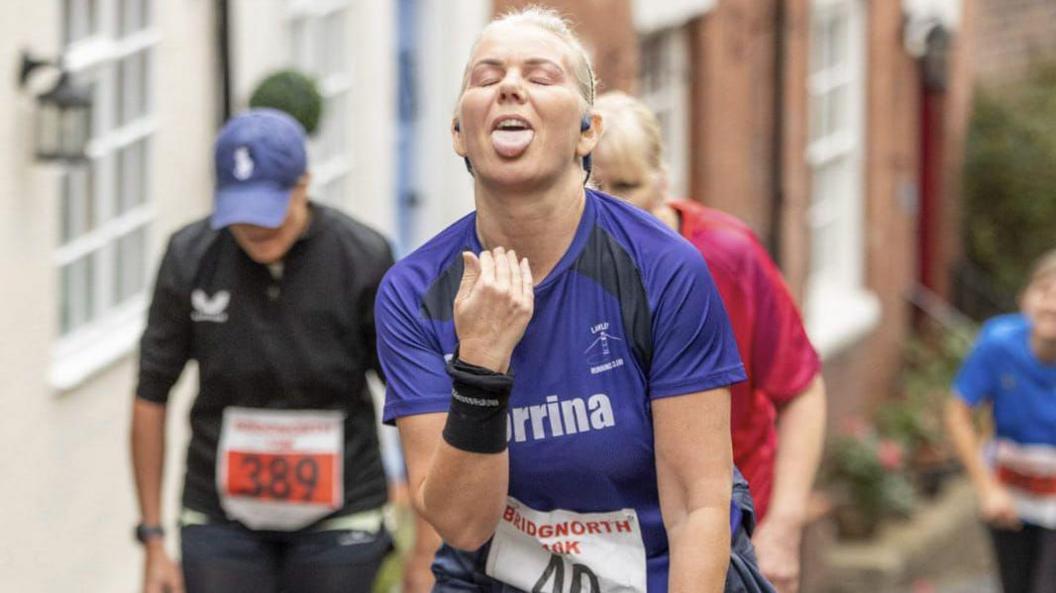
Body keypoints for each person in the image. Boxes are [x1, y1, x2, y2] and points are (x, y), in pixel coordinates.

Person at [376, 7, 751, 593]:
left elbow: (697, 508)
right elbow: (462, 524)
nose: (509, 87)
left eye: (541, 77)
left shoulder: (663, 268)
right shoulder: (412, 293)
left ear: (588, 131)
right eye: (486, 76)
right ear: (458, 133)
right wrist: (480, 365)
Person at [130, 108, 394, 593]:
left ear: (303, 185)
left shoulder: (363, 257)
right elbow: (151, 392)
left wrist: (428, 539)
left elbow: (413, 396)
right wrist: (152, 537)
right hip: (219, 515)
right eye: (240, 212)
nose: (254, 229)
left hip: (341, 513)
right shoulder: (189, 256)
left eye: (269, 211)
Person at [590, 91, 827, 593]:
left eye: (627, 186)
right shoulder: (560, 270)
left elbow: (801, 390)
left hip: (732, 517)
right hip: (614, 529)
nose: (607, 205)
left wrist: (782, 529)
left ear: (662, 181)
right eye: (594, 184)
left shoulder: (725, 254)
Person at [945, 250, 1056, 593]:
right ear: (1025, 298)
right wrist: (986, 487)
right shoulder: (998, 343)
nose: (1051, 305)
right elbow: (958, 411)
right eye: (1044, 291)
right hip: (1010, 489)